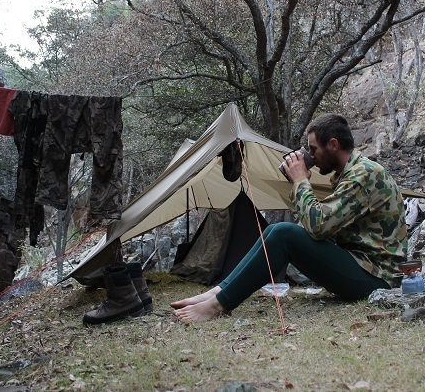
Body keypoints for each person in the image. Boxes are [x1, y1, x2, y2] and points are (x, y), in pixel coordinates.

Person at [171, 113, 407, 322]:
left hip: (378, 279)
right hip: (362, 268)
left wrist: (300, 181)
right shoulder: (350, 174)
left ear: (333, 145)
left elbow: (318, 227)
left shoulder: (363, 174)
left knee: (284, 233)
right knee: (275, 231)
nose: (311, 156)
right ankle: (219, 291)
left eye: (313, 149)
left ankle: (218, 305)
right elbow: (324, 226)